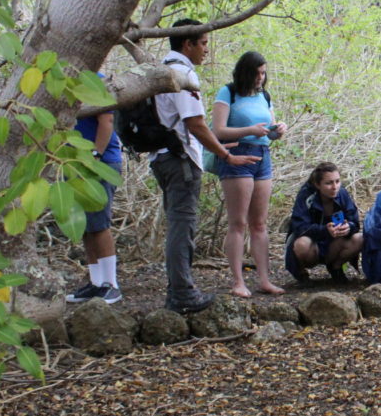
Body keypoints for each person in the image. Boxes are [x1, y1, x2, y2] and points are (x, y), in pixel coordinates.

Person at [151, 19, 261, 314]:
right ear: (187, 44)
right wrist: (225, 156)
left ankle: (179, 290)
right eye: (203, 43)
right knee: (182, 225)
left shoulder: (160, 68)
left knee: (178, 222)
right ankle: (182, 293)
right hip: (180, 158)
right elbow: (196, 124)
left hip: (161, 156)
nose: (207, 51)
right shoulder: (182, 74)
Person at [211, 51, 286, 297]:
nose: (260, 78)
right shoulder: (228, 92)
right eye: (256, 73)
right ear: (245, 72)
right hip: (237, 156)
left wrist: (277, 130)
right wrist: (249, 130)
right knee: (238, 222)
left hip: (262, 155)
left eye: (263, 73)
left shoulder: (264, 96)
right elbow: (218, 131)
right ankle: (238, 281)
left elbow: (268, 131)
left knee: (260, 223)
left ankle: (264, 280)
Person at [66, 94, 123, 304]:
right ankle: (96, 283)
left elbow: (107, 121)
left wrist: (95, 155)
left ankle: (111, 284)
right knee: (87, 225)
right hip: (74, 165)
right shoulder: (63, 88)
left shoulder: (96, 83)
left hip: (101, 163)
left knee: (99, 223)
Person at [285, 162, 363, 284]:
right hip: (312, 244)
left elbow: (354, 222)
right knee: (301, 244)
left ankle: (336, 267)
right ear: (317, 184)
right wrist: (324, 230)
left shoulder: (342, 193)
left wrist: (349, 227)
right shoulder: (306, 196)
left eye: (337, 181)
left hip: (334, 243)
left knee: (359, 238)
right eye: (328, 183)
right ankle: (301, 272)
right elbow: (299, 227)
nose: (334, 187)